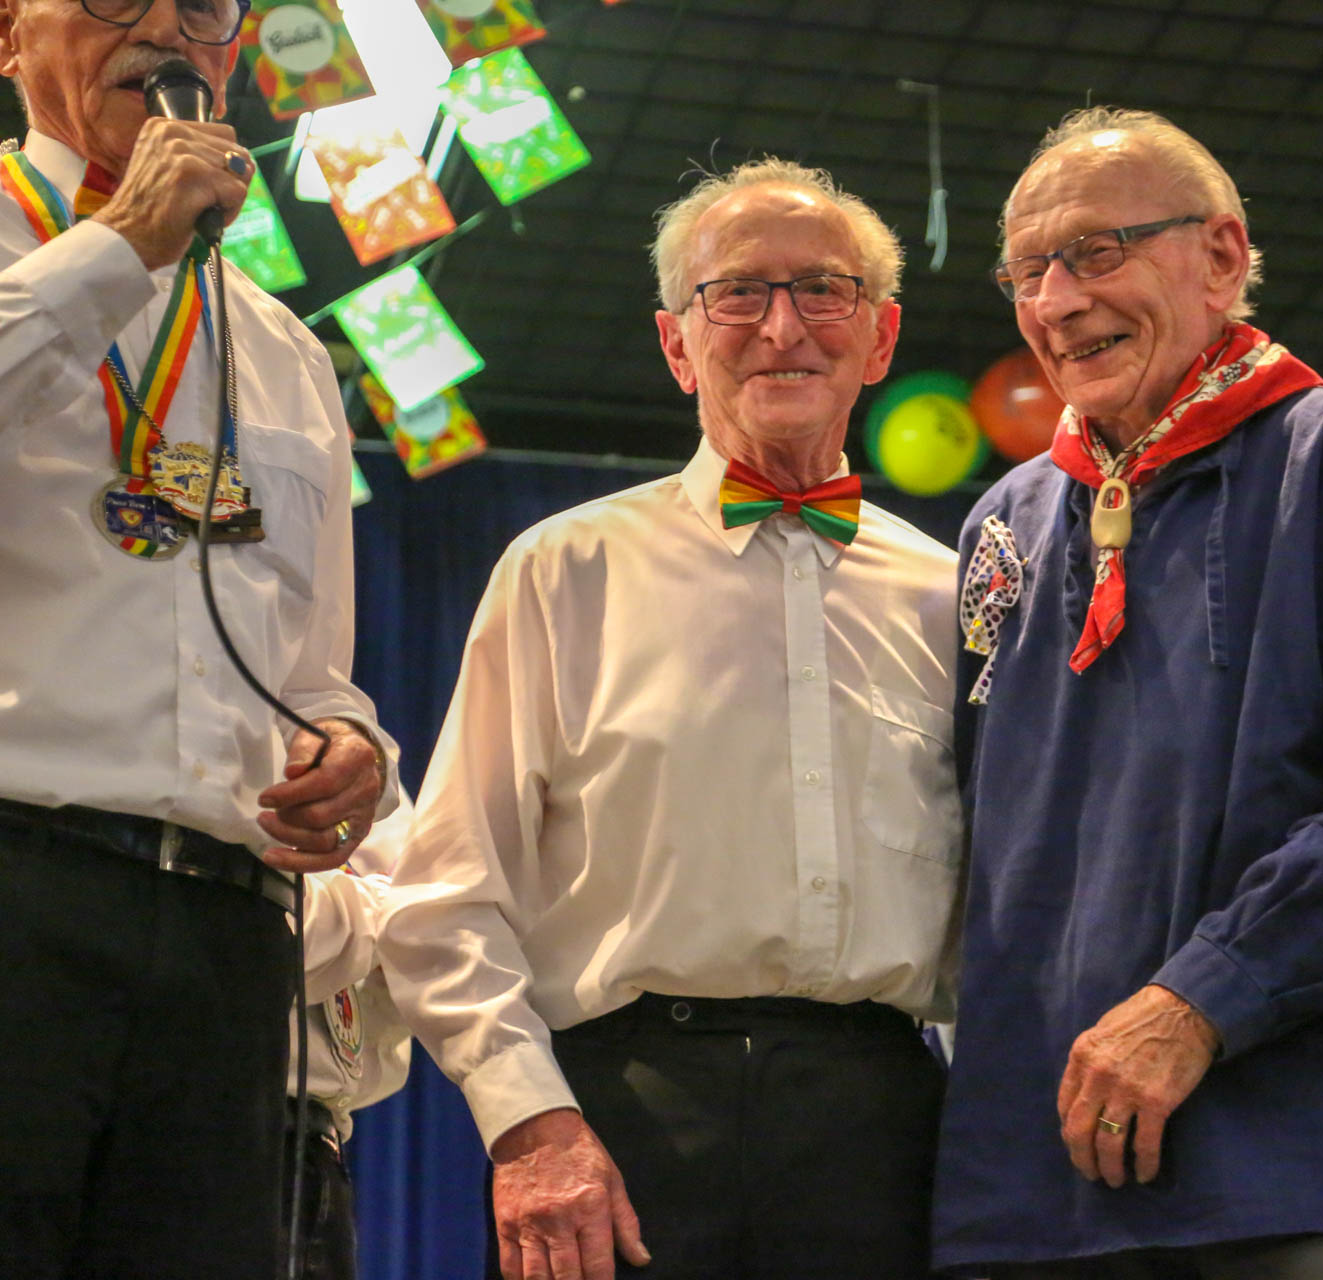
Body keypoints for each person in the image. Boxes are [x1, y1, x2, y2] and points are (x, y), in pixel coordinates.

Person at [933, 106, 1323, 1280]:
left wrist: (1201, 998)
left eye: (1096, 252)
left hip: (1310, 1165)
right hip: (1043, 1186)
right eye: (1027, 271)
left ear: (1220, 257)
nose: (1057, 300)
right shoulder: (1003, 523)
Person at [380, 158, 962, 1280]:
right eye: (737, 292)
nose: (782, 326)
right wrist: (529, 1123)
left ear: (880, 336)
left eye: (823, 288)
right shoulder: (563, 568)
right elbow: (443, 898)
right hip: (615, 1124)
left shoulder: (953, 593)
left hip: (887, 1132)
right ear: (677, 343)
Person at [0, 0, 397, 1273]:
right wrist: (117, 246)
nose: (167, 25)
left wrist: (347, 746)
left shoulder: (283, 346)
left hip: (229, 937)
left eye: (207, 7)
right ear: (9, 34)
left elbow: (314, 667)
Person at [284, 795, 415, 1280]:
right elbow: (264, 925)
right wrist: (389, 914)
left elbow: (439, 923)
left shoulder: (368, 771)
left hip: (316, 1145)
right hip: (192, 1122)